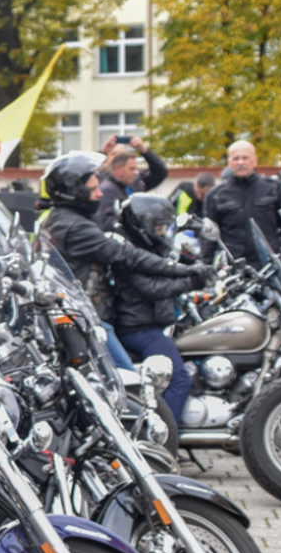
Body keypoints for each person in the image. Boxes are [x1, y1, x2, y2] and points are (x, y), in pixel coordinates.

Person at [39, 152, 208, 377]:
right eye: (94, 189)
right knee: (127, 385)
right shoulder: (76, 228)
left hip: (83, 315)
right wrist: (183, 271)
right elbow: (127, 255)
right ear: (74, 192)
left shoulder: (65, 219)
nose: (100, 194)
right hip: (87, 319)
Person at [113, 195, 207, 432]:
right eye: (158, 227)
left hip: (149, 324)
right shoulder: (130, 253)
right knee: (179, 380)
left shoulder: (146, 249)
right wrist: (192, 280)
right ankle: (167, 442)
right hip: (140, 328)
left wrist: (192, 268)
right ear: (142, 225)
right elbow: (151, 288)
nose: (162, 232)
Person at [202, 140, 281, 267]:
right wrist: (206, 268)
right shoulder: (216, 195)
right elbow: (208, 236)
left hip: (270, 267)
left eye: (245, 158)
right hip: (234, 268)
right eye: (236, 159)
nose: (240, 162)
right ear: (229, 163)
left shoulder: (274, 188)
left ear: (255, 161)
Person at [95, 135, 169, 231]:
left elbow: (160, 172)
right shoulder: (100, 181)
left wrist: (143, 150)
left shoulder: (136, 180)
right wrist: (102, 153)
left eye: (122, 156)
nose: (118, 158)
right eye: (114, 154)